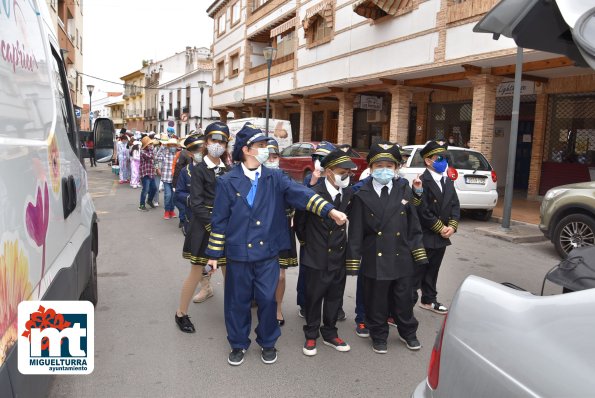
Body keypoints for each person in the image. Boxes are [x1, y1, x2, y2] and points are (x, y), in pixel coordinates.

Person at [205, 123, 347, 367]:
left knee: (268, 300)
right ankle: (238, 343)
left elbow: (302, 194)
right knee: (237, 302)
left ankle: (268, 342)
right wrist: (213, 255)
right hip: (238, 255)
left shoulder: (275, 177)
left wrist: (329, 210)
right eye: (260, 146)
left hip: (267, 253)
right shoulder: (228, 181)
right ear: (247, 150)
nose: (266, 151)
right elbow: (219, 220)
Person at [346, 141, 428, 354]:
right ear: (370, 168)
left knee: (403, 299)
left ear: (396, 169)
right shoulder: (361, 194)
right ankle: (379, 334)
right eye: (379, 166)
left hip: (401, 255)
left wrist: (418, 253)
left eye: (389, 166)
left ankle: (408, 332)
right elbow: (355, 231)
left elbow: (413, 224)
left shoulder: (403, 188)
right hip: (375, 256)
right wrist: (354, 262)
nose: (384, 170)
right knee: (377, 301)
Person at [295, 149, 355, 356]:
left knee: (334, 297)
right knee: (314, 297)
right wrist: (309, 246)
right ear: (329, 171)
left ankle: (330, 332)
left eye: (349, 172)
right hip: (316, 255)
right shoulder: (312, 193)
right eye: (342, 171)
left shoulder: (348, 192)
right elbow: (300, 225)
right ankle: (311, 334)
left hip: (338, 254)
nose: (346, 175)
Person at [175, 123, 231, 334]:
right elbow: (196, 204)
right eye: (214, 140)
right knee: (196, 272)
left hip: (224, 228)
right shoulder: (197, 171)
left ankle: (233, 312)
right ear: (207, 142)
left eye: (222, 141)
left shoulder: (229, 170)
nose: (218, 145)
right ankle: (181, 314)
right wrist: (215, 228)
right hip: (203, 228)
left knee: (230, 273)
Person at [413, 141, 461, 315]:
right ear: (427, 161)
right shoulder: (422, 181)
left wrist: (452, 227)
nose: (443, 161)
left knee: (433, 270)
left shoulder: (447, 181)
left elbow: (455, 205)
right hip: (425, 235)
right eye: (439, 158)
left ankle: (428, 300)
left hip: (441, 237)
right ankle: (401, 308)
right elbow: (422, 210)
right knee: (416, 273)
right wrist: (440, 227)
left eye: (445, 158)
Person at [297, 141, 339, 319]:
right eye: (316, 158)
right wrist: (313, 181)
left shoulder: (337, 177)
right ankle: (305, 304)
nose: (318, 162)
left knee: (334, 274)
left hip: (332, 235)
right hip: (312, 234)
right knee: (308, 274)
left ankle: (335, 308)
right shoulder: (310, 178)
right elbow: (301, 203)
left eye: (323, 158)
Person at [262, 139, 297, 326]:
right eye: (268, 156)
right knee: (259, 273)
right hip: (260, 233)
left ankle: (277, 308)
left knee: (280, 275)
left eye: (275, 156)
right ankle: (261, 303)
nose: (272, 159)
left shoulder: (286, 177)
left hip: (282, 231)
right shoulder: (255, 178)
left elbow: (296, 198)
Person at [175, 135, 205, 235]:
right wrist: (191, 199)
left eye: (202, 151)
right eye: (197, 152)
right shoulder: (185, 171)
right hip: (192, 215)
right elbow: (179, 193)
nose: (200, 154)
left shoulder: (211, 169)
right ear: (190, 154)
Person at [158, 138, 179, 220]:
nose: (172, 147)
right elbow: (157, 157)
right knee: (168, 195)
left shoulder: (178, 154)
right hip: (166, 178)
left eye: (174, 145)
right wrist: (162, 147)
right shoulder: (165, 153)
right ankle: (166, 211)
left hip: (175, 179)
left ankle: (171, 210)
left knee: (173, 196)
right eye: (171, 145)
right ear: (169, 146)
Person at [138, 136, 157, 212]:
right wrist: (152, 150)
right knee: (145, 189)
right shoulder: (143, 151)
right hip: (145, 173)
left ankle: (149, 200)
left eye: (151, 144)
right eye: (149, 144)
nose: (150, 145)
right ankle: (141, 205)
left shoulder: (150, 150)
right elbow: (151, 156)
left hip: (150, 172)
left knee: (154, 188)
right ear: (145, 144)